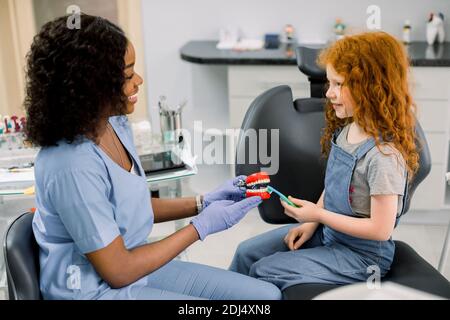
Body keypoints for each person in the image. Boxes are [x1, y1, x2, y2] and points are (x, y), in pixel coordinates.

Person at [25, 14, 281, 300]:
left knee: (265, 297)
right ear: (90, 86)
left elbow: (130, 206)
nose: (139, 81)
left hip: (135, 269)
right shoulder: (70, 165)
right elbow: (118, 270)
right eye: (127, 75)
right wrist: (202, 226)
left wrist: (203, 202)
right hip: (95, 291)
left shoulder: (113, 124)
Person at [229, 31, 419, 290]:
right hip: (329, 235)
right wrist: (312, 222)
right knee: (246, 253)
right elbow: (334, 185)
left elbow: (380, 230)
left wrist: (318, 214)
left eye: (338, 84)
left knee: (264, 271)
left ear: (370, 87)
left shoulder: (384, 156)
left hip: (362, 257)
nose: (329, 93)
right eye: (329, 83)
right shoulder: (348, 130)